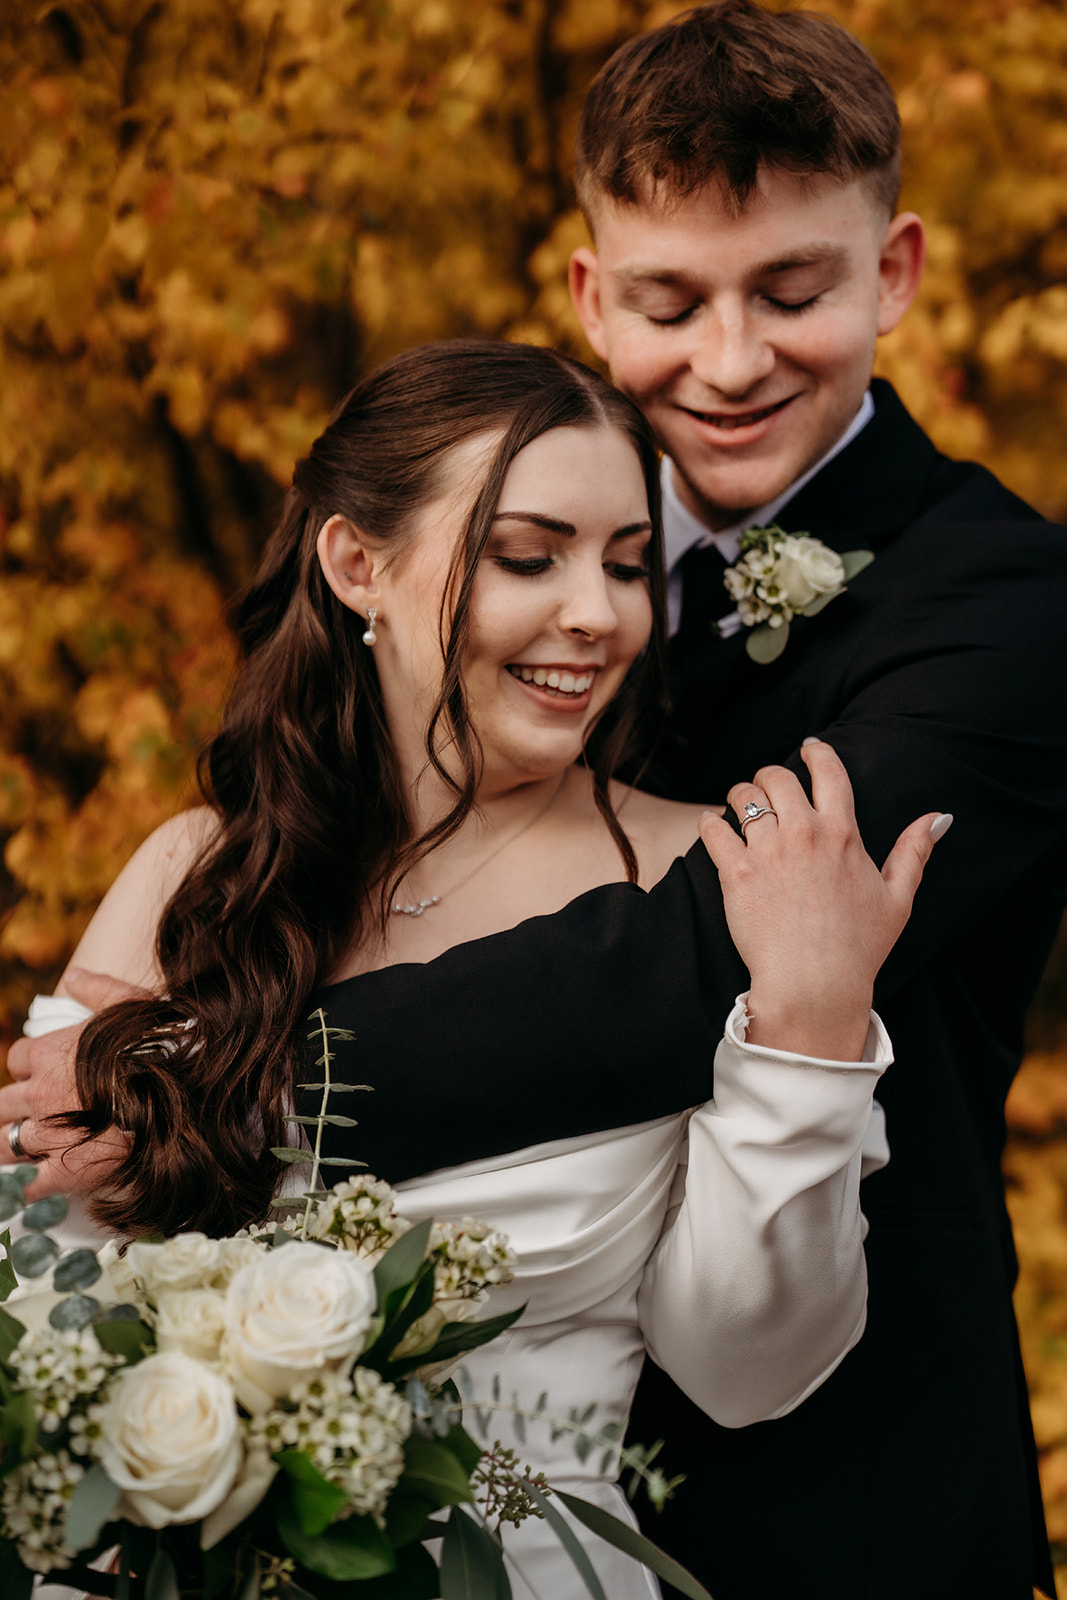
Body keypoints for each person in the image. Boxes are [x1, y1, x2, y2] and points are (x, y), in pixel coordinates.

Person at [2, 340, 942, 1599]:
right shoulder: (192, 879)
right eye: (526, 555)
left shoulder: (711, 873)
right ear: (356, 566)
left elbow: (743, 1366)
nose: (597, 613)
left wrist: (809, 1030)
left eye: (623, 562)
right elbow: (37, 1308)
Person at [564, 4, 1067, 1598]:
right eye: (667, 300)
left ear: (893, 274)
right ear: (588, 296)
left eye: (791, 292)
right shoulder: (493, 552)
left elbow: (679, 961)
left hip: (861, 1490)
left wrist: (279, 1062)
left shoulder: (1001, 597)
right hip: (508, 1447)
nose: (725, 363)